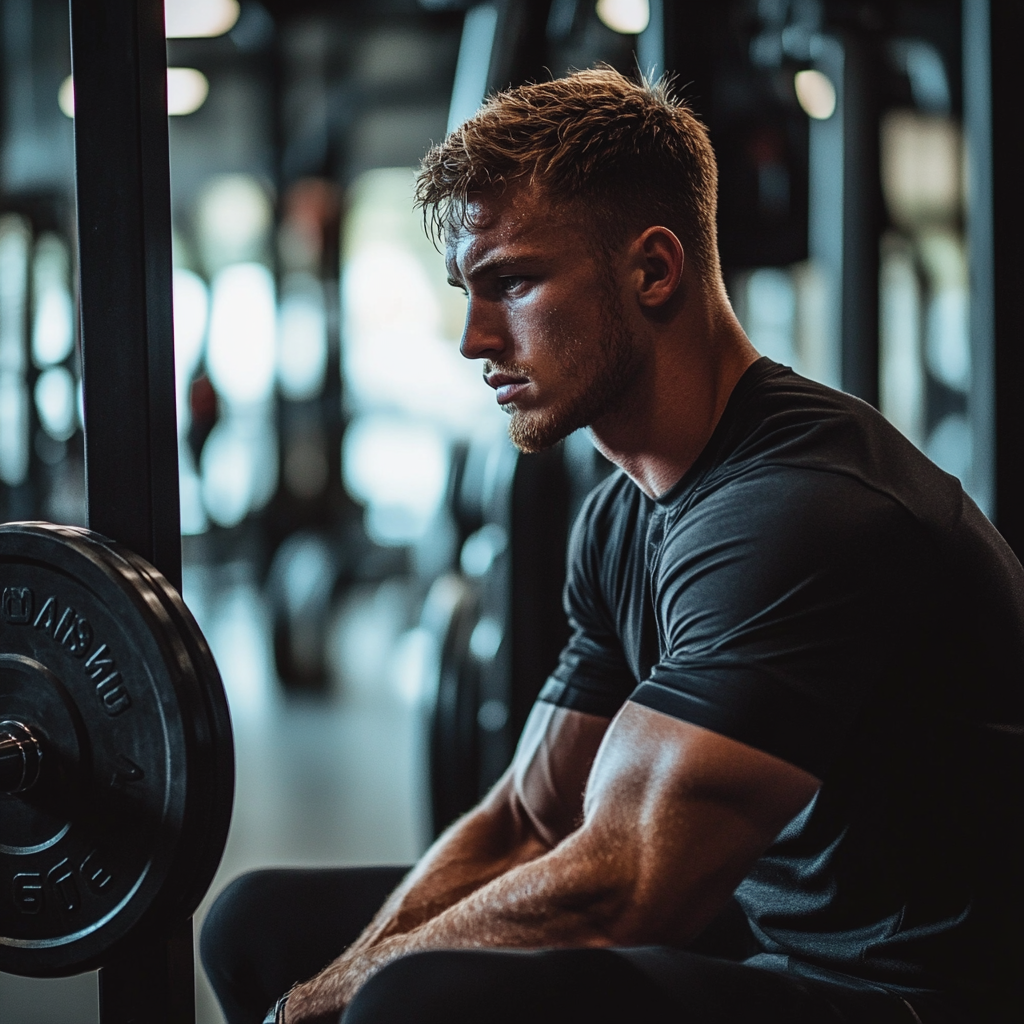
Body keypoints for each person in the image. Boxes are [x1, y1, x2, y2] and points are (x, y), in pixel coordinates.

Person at [201, 68, 1023, 1024]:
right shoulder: (621, 513)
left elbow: (628, 879)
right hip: (765, 944)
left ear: (654, 270)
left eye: (511, 282)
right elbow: (529, 820)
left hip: (914, 994)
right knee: (257, 924)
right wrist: (324, 987)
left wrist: (323, 1006)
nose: (473, 339)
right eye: (467, 290)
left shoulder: (804, 507)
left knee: (418, 1002)